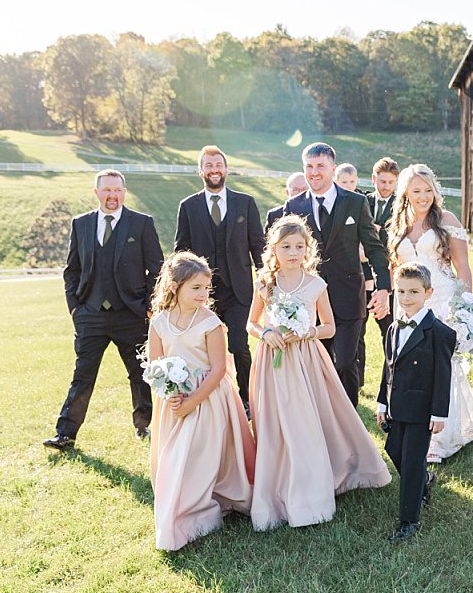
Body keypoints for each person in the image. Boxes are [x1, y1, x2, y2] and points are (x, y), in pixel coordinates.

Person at [247, 215, 390, 530]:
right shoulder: (265, 283)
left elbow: (329, 327)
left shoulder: (315, 284)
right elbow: (251, 323)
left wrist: (306, 332)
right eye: (286, 246)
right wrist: (265, 333)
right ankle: (278, 488)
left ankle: (312, 493)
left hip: (306, 361)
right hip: (273, 363)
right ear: (274, 249)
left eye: (300, 246)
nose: (293, 252)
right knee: (277, 426)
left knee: (306, 423)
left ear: (308, 249)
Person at [44, 170, 164, 450]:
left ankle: (145, 426)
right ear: (96, 192)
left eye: (118, 190)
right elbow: (71, 270)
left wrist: (147, 307)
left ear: (124, 192)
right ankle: (65, 434)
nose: (113, 196)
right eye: (107, 190)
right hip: (91, 314)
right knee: (83, 375)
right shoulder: (81, 224)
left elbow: (157, 268)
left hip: (131, 314)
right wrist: (75, 309)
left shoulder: (141, 223)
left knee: (140, 373)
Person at [146, 252, 256, 551]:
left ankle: (205, 507)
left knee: (203, 454)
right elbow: (156, 364)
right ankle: (184, 506)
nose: (203, 294)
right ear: (174, 286)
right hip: (173, 399)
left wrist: (192, 400)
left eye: (206, 288)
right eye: (196, 287)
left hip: (207, 398)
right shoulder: (159, 322)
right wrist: (171, 395)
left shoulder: (209, 321)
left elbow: (219, 368)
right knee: (178, 456)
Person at [387, 164, 473, 463]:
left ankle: (440, 435)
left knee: (439, 364)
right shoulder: (399, 223)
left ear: (435, 191)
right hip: (407, 301)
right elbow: (395, 267)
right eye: (416, 191)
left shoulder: (447, 220)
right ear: (406, 192)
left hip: (442, 299)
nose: (423, 196)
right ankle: (411, 421)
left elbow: (463, 266)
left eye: (428, 190)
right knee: (410, 364)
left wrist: (465, 303)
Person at [282, 142, 391, 409]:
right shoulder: (293, 206)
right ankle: (318, 424)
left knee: (344, 363)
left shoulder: (355, 202)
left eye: (320, 166)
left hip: (348, 298)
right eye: (309, 166)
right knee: (315, 366)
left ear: (332, 167)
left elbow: (375, 248)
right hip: (308, 303)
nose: (314, 172)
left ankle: (349, 424)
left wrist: (383, 288)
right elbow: (283, 256)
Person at [174, 145, 265, 412]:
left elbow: (257, 244)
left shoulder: (245, 203)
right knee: (203, 350)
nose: (214, 170)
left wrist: (264, 278)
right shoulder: (188, 206)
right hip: (202, 294)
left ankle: (248, 399)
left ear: (226, 169)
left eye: (218, 165)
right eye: (209, 165)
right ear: (201, 171)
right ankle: (208, 399)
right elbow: (181, 249)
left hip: (238, 290)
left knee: (239, 345)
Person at [376, 262, 455, 542]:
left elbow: (443, 376)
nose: (407, 298)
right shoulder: (393, 329)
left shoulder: (441, 333)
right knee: (393, 448)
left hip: (422, 410)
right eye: (401, 292)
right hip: (397, 406)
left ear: (428, 292)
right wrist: (382, 404)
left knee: (411, 462)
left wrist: (439, 414)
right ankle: (424, 481)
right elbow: (388, 368)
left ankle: (409, 521)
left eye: (413, 292)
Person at [357, 157, 399, 388]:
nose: (385, 187)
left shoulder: (401, 206)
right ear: (374, 179)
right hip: (360, 274)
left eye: (390, 182)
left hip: (387, 272)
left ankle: (392, 378)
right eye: (382, 181)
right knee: (358, 328)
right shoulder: (361, 201)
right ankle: (358, 379)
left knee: (389, 328)